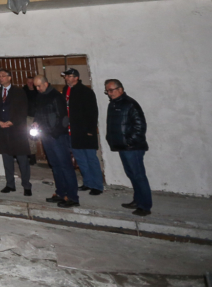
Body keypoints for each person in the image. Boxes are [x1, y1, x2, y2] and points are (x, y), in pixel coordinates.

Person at [104, 79, 152, 216]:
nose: (109, 93)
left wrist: (129, 142)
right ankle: (137, 200)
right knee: (132, 175)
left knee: (139, 176)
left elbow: (140, 126)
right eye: (107, 91)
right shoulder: (114, 104)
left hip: (133, 148)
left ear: (120, 89)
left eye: (111, 90)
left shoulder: (130, 104)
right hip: (123, 146)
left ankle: (145, 206)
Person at [32, 75, 78, 207]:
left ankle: (72, 197)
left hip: (57, 137)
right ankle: (60, 193)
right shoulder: (40, 96)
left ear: (46, 84)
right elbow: (39, 113)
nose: (37, 88)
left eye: (39, 86)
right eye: (36, 86)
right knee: (55, 165)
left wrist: (55, 134)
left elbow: (63, 119)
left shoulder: (56, 96)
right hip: (46, 136)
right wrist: (36, 122)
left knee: (65, 166)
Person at [0, 69, 32, 196]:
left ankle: (26, 185)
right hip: (2, 130)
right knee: (6, 159)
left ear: (9, 77)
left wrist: (12, 122)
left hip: (17, 130)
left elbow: (23, 110)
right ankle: (10, 184)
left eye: (3, 76)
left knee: (22, 159)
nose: (0, 78)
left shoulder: (19, 92)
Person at [62, 68, 103, 195]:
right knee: (80, 159)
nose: (66, 78)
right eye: (66, 76)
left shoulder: (86, 92)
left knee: (91, 158)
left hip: (85, 131)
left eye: (69, 76)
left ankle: (97, 185)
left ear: (76, 77)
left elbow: (92, 112)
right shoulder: (66, 90)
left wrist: (90, 130)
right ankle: (88, 182)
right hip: (72, 131)